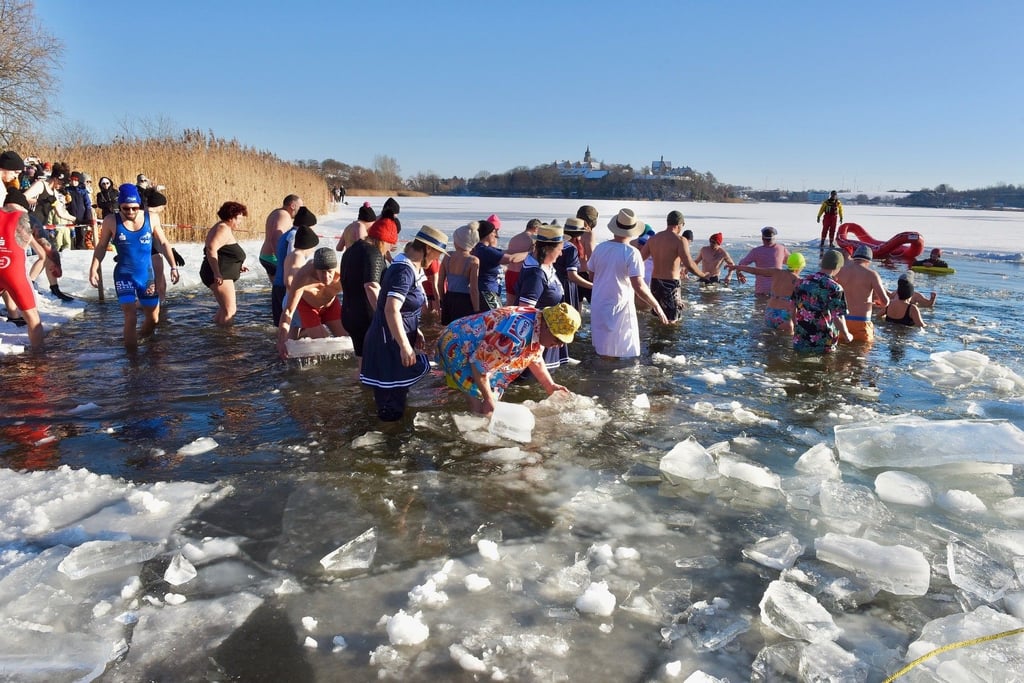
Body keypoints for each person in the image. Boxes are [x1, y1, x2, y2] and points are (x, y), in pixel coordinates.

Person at [360, 225, 448, 422]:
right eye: (437, 254)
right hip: (387, 341)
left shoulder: (408, 266)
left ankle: (392, 439)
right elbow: (391, 309)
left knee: (396, 398)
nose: (437, 259)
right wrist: (404, 346)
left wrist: (416, 331)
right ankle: (388, 445)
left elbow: (405, 308)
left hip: (394, 337)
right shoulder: (403, 271)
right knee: (390, 404)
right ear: (428, 249)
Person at [437, 302, 582, 416]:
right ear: (545, 326)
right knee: (481, 406)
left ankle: (453, 394)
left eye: (563, 341)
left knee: (490, 396)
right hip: (458, 344)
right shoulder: (513, 337)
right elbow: (479, 366)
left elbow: (534, 357)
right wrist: (487, 399)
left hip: (476, 343)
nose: (560, 345)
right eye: (557, 339)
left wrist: (549, 385)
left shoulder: (538, 322)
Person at [88, 184, 180, 350]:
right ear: (120, 206)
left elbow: (164, 242)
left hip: (146, 276)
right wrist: (94, 267)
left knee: (153, 319)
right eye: (126, 208)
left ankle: (142, 339)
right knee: (130, 317)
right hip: (124, 275)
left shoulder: (151, 218)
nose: (130, 212)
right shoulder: (111, 220)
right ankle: (132, 361)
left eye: (134, 208)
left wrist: (173, 266)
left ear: (140, 205)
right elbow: (101, 246)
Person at [589, 208, 669, 358]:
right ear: (633, 231)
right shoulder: (631, 252)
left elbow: (592, 276)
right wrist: (656, 305)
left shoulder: (600, 248)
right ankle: (612, 380)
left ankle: (601, 378)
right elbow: (638, 285)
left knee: (603, 350)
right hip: (620, 306)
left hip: (599, 303)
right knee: (623, 352)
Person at [341, 212, 397, 367]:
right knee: (378, 364)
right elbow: (371, 286)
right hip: (367, 317)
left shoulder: (351, 250)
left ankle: (357, 390)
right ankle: (372, 390)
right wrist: (386, 316)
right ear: (384, 240)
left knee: (363, 364)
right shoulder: (373, 253)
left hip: (349, 314)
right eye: (390, 244)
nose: (390, 249)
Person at [514, 224, 570, 371]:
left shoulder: (546, 266)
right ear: (547, 250)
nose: (561, 254)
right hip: (538, 337)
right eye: (559, 249)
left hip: (547, 334)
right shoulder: (536, 274)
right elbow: (524, 312)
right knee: (533, 381)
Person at [0, 190, 51, 350]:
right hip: (13, 272)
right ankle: (39, 359)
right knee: (32, 318)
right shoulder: (26, 219)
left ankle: (12, 314)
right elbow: (47, 250)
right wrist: (55, 263)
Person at [276, 247, 345, 358]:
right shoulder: (303, 277)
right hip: (308, 307)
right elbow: (288, 311)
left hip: (331, 304)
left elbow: (356, 301)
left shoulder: (344, 274)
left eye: (330, 272)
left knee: (347, 340)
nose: (327, 277)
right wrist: (281, 340)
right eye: (322, 272)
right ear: (315, 269)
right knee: (322, 346)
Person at [639, 210, 706, 323]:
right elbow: (689, 264)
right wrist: (702, 275)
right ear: (679, 224)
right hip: (670, 284)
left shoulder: (654, 239)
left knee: (657, 316)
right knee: (673, 320)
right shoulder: (680, 240)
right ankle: (670, 340)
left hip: (655, 282)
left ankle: (655, 339)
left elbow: (640, 259)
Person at [729, 252, 806, 335]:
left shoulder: (776, 272)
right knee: (786, 344)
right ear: (800, 267)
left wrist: (736, 267)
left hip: (769, 313)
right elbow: (797, 306)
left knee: (767, 340)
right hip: (784, 316)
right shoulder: (798, 281)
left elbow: (755, 270)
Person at [792, 249, 853, 353]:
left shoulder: (802, 282)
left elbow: (792, 307)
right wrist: (847, 334)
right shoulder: (834, 288)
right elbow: (837, 316)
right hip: (823, 341)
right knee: (824, 368)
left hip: (800, 338)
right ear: (837, 267)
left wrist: (796, 328)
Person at [200, 201, 249, 325]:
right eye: (238, 219)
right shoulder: (222, 228)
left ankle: (218, 336)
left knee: (225, 309)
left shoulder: (224, 228)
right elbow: (211, 249)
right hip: (220, 274)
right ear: (230, 217)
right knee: (230, 310)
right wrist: (217, 273)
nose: (240, 222)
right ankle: (228, 341)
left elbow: (224, 252)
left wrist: (237, 264)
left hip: (222, 272)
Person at [834, 245, 890, 343]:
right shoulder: (872, 274)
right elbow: (885, 302)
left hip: (841, 321)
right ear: (869, 261)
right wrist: (877, 303)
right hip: (862, 322)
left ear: (854, 257)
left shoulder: (839, 271)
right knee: (861, 354)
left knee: (840, 356)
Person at [272, 206, 316, 326]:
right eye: (312, 227)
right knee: (291, 325)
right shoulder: (295, 237)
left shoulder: (287, 233)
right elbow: (293, 261)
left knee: (282, 325)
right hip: (285, 288)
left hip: (278, 284)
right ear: (306, 226)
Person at [472, 218, 526, 310]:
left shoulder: (480, 249)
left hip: (486, 291)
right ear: (487, 234)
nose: (495, 235)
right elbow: (511, 259)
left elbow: (505, 253)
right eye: (493, 232)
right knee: (498, 318)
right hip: (487, 292)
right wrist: (530, 254)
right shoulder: (486, 251)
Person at [439, 222, 481, 324]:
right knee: (464, 332)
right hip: (464, 301)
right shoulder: (473, 261)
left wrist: (443, 300)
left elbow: (440, 283)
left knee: (448, 333)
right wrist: (477, 311)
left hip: (449, 298)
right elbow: (473, 289)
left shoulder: (447, 256)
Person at [738, 226, 790, 296]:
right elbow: (791, 263)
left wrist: (739, 273)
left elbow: (740, 265)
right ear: (774, 238)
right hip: (778, 289)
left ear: (762, 238)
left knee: (760, 306)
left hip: (761, 290)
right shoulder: (781, 249)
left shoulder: (756, 251)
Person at [259, 194, 301, 279]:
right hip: (273, 257)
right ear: (293, 206)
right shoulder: (284, 215)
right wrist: (281, 260)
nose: (301, 210)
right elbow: (274, 238)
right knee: (285, 287)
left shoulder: (277, 212)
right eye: (300, 206)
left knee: (277, 286)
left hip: (266, 256)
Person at [556, 217, 592, 312]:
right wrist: (593, 285)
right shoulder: (571, 249)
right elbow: (572, 276)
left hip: (554, 285)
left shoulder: (556, 244)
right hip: (566, 286)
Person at [504, 218, 541, 303]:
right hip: (521, 274)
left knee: (509, 303)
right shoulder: (532, 240)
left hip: (510, 273)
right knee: (522, 303)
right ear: (536, 228)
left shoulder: (514, 238)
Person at [66, 172, 95, 249]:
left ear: (78, 181)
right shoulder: (67, 190)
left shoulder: (82, 191)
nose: (73, 182)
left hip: (81, 216)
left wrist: (88, 216)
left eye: (75, 180)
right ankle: (70, 249)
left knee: (81, 236)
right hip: (70, 216)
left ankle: (80, 249)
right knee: (70, 235)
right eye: (72, 180)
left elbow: (88, 204)